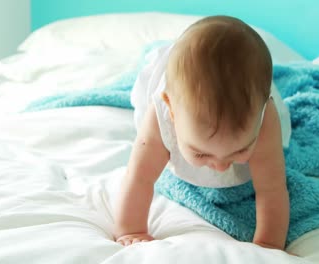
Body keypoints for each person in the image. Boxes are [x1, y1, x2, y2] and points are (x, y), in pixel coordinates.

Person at [113, 15, 292, 251]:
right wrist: (132, 230)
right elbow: (139, 177)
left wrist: (268, 245)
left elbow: (272, 188)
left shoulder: (264, 118)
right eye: (200, 154)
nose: (220, 167)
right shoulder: (160, 118)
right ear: (171, 112)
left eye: (240, 150)